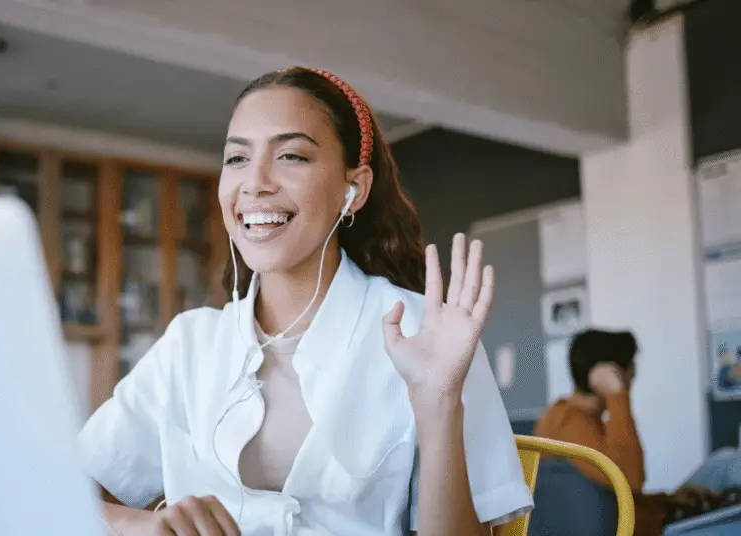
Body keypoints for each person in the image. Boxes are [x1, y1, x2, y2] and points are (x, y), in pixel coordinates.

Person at [77, 66, 533, 536]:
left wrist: (439, 405)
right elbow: (63, 488)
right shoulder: (190, 343)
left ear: (353, 190)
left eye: (290, 155)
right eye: (236, 158)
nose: (254, 183)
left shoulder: (430, 334)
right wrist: (138, 527)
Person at [534, 329, 741, 535]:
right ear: (612, 372)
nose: (633, 375)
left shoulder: (571, 418)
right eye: (631, 368)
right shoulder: (567, 421)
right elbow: (630, 478)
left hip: (649, 515)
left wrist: (667, 499)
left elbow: (614, 493)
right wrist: (617, 394)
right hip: (646, 529)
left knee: (723, 461)